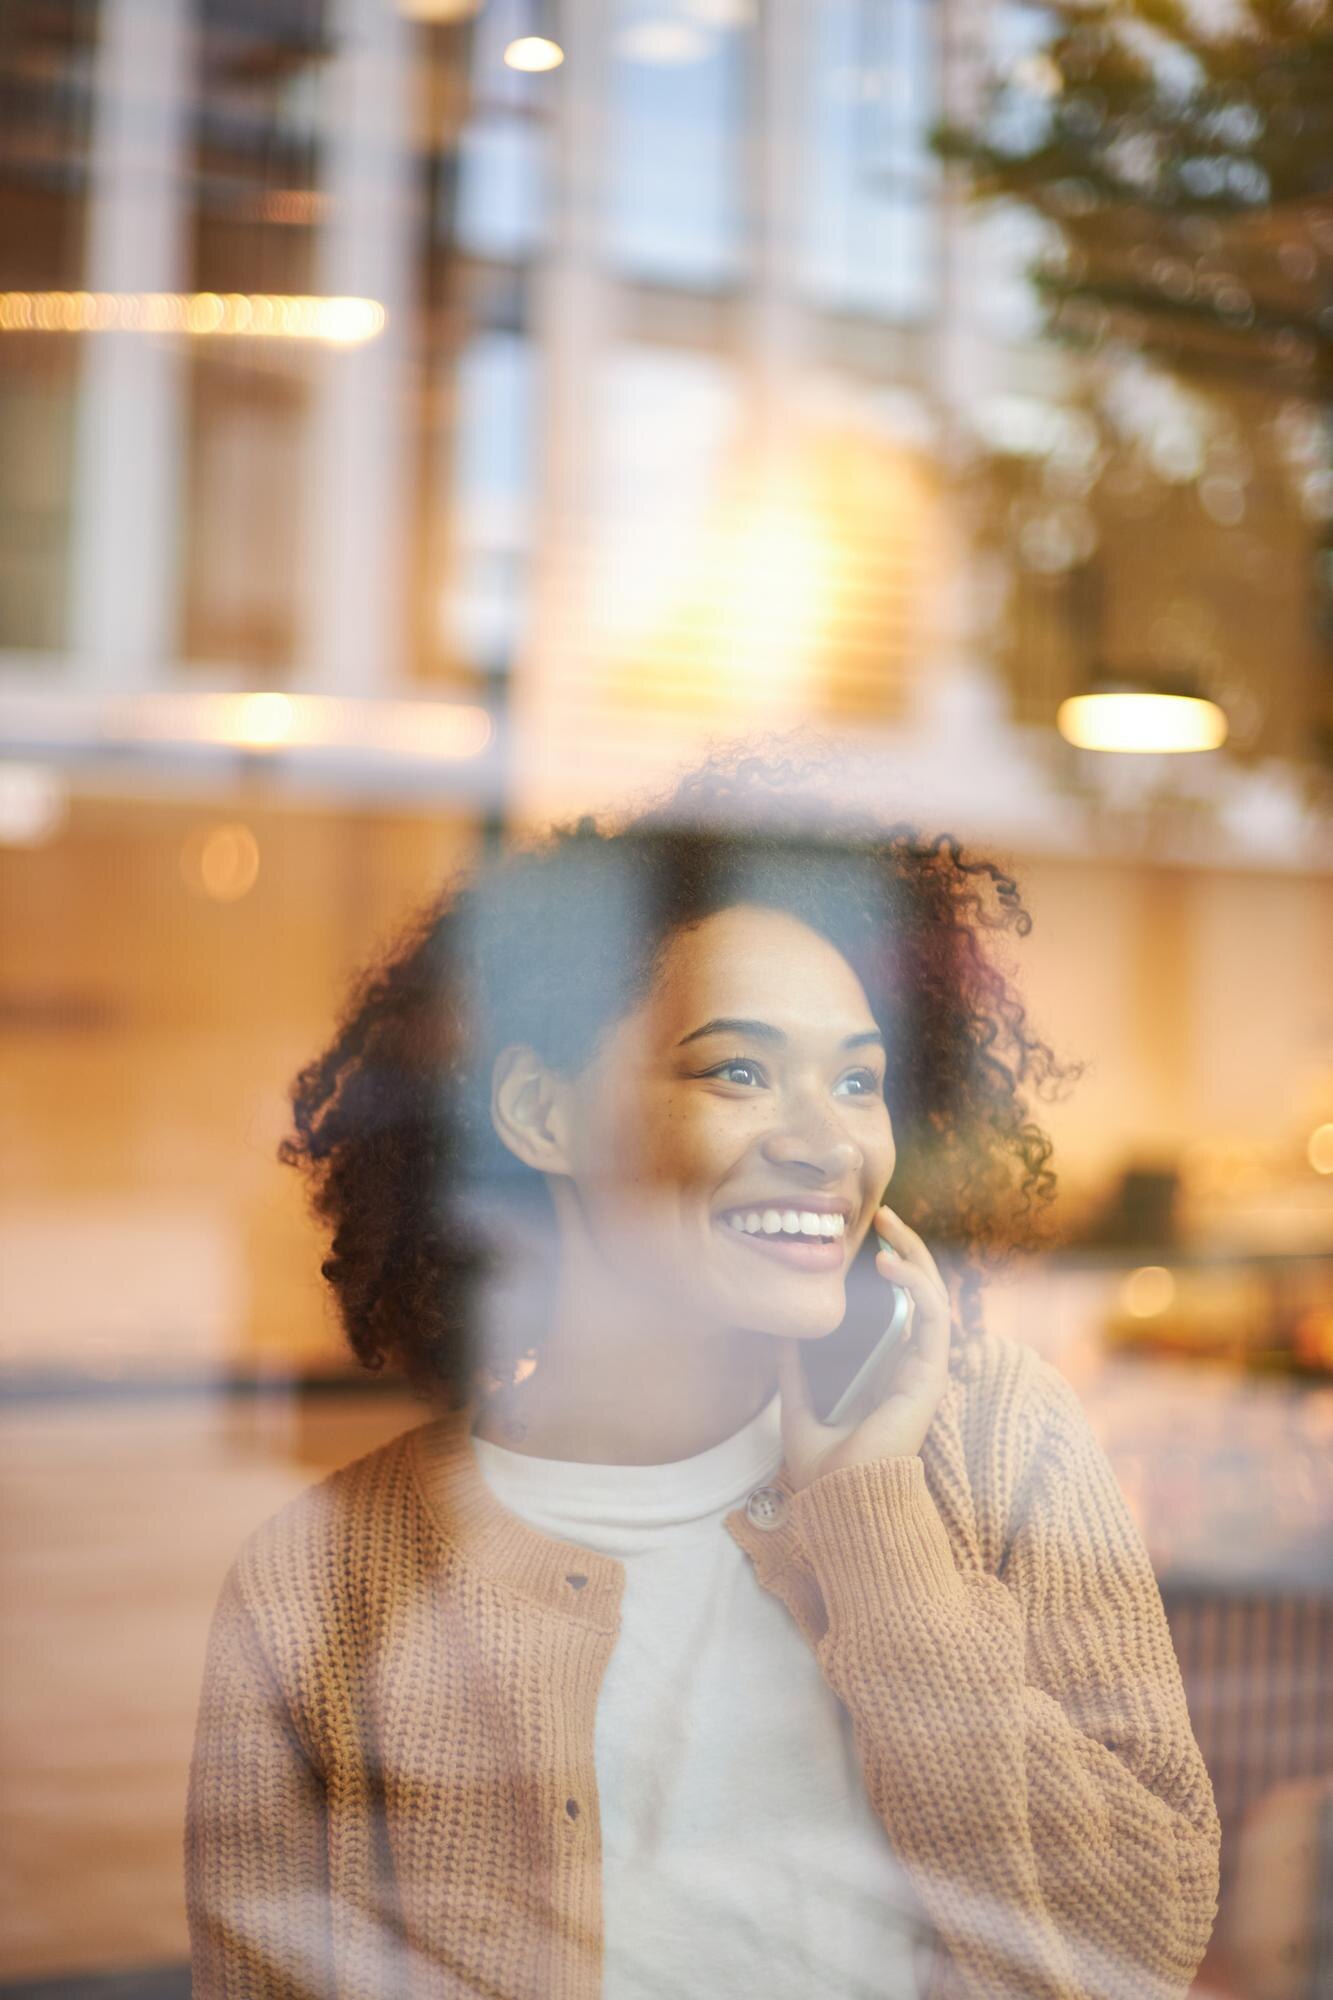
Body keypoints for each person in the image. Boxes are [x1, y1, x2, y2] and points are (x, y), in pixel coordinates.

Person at [184, 743, 1220, 1999]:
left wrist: (879, 1536)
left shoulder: (993, 1442)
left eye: (856, 1077)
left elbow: (1144, 1948)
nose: (823, 1139)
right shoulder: (322, 1581)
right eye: (737, 1069)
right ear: (538, 1112)